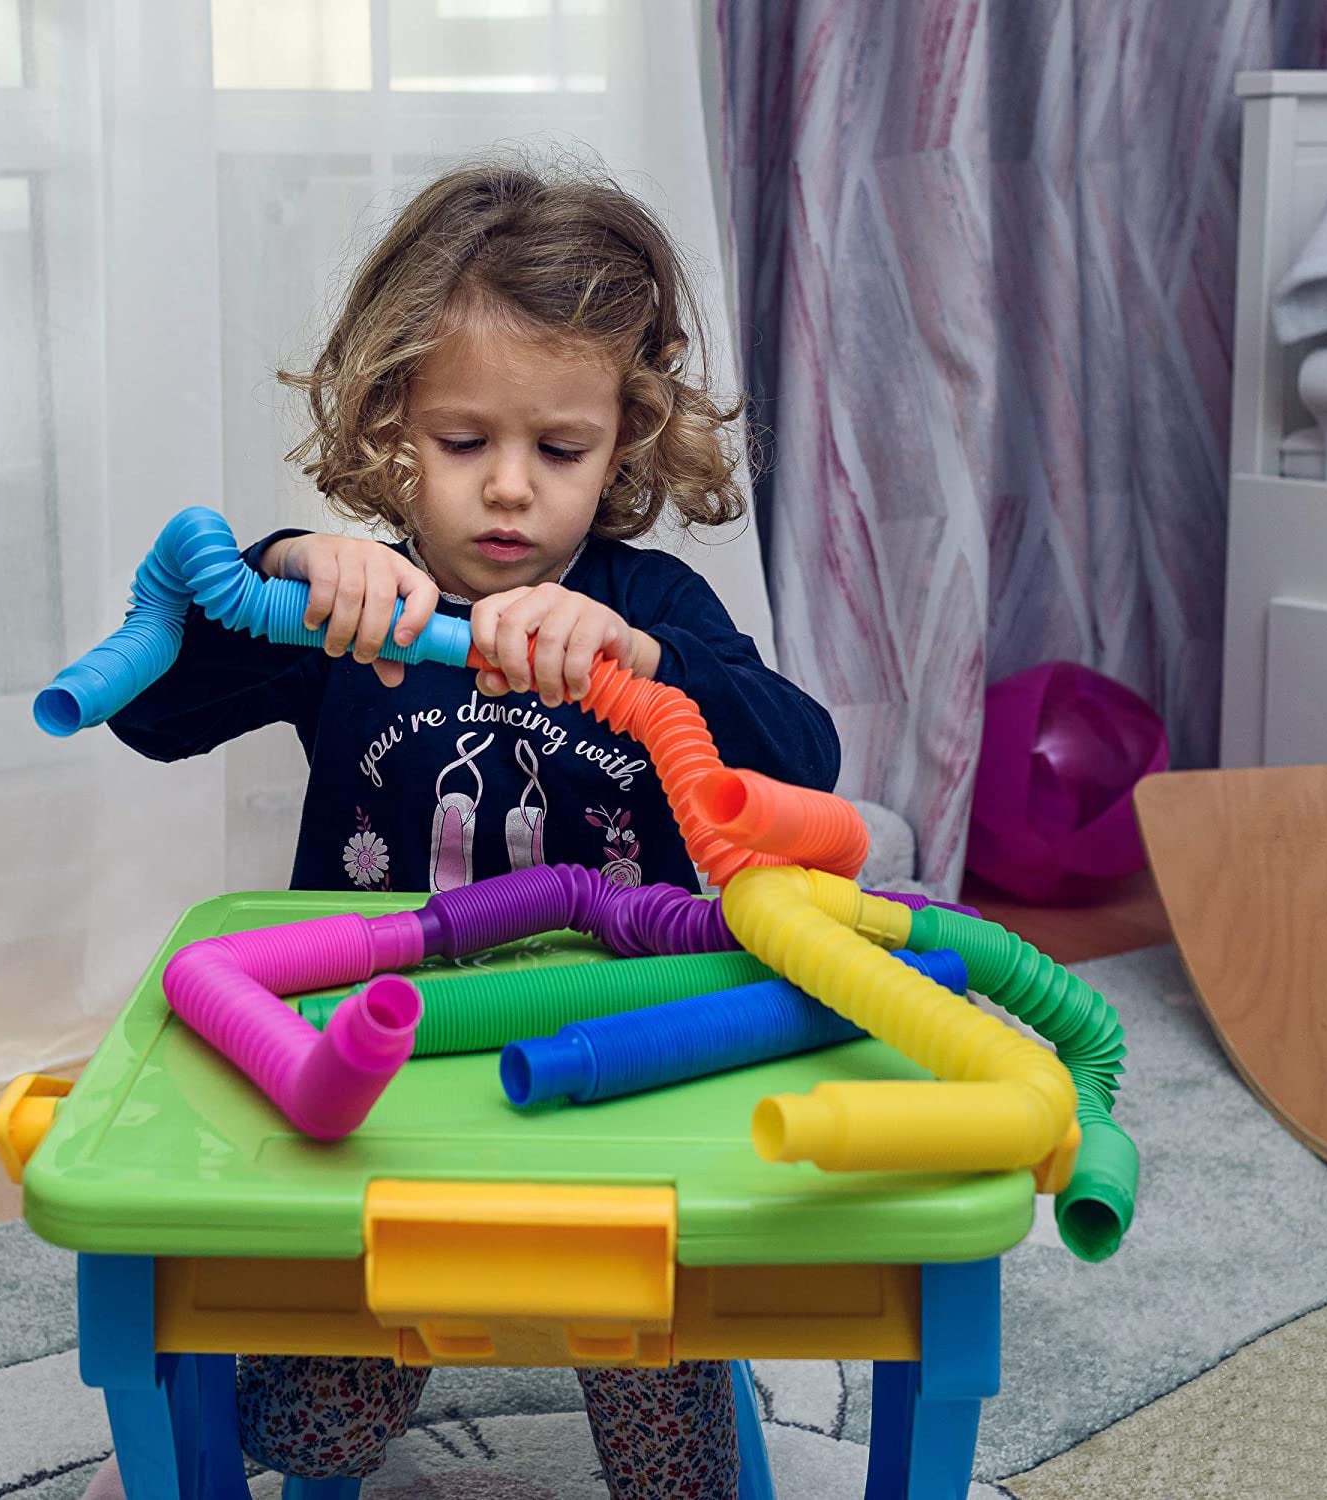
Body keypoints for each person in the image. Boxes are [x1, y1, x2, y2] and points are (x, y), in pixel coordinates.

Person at [87, 158, 840, 1499]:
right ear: (390, 428)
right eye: (462, 442)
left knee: (671, 1409)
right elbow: (148, 714)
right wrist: (277, 572)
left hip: (616, 1068)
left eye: (559, 449)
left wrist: (650, 655)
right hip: (384, 1078)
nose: (509, 491)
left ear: (625, 442)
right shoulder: (348, 607)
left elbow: (805, 762)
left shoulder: (648, 602)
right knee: (316, 1409)